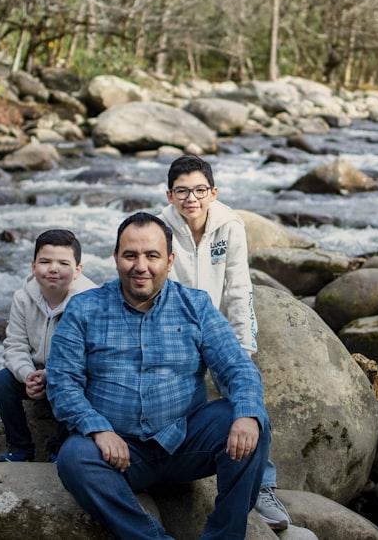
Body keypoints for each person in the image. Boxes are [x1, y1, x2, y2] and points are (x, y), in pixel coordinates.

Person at [47, 213, 270, 539]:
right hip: (117, 453)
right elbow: (62, 382)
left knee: (252, 422)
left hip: (186, 443)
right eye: (130, 255)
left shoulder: (195, 306)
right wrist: (97, 429)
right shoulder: (84, 309)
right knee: (74, 458)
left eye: (152, 256)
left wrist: (249, 412)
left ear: (169, 260)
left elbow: (237, 367)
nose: (141, 266)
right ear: (116, 258)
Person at [159, 155, 291, 529]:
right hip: (176, 328)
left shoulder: (229, 225)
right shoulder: (159, 227)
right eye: (182, 191)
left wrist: (243, 347)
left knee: (245, 393)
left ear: (212, 192)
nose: (192, 199)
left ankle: (262, 485)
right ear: (170, 195)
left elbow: (239, 289)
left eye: (200, 190)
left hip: (216, 325)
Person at [0, 228, 97, 462]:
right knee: (1, 381)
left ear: (78, 270)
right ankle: (20, 448)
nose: (53, 269)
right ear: (33, 266)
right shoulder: (22, 298)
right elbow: (15, 345)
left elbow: (90, 355)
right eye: (45, 261)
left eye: (63, 263)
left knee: (88, 381)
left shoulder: (90, 301)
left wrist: (52, 374)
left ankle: (60, 447)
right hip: (35, 373)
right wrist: (27, 375)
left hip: (71, 375)